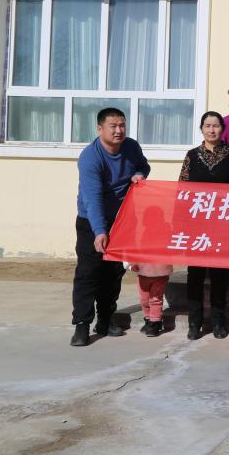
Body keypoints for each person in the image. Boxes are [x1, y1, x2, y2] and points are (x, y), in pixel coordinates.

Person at [70, 107, 150, 347]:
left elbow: (144, 166)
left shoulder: (131, 147)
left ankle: (105, 319)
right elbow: (92, 198)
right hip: (91, 221)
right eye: (113, 126)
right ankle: (82, 325)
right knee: (88, 273)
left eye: (122, 125)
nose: (118, 130)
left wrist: (139, 174)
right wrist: (100, 231)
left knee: (113, 272)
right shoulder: (90, 157)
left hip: (121, 220)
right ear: (100, 129)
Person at [179, 111, 229, 340]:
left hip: (222, 225)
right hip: (196, 225)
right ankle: (194, 322)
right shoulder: (192, 155)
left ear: (222, 129)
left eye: (216, 126)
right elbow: (182, 187)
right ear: (201, 128)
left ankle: (217, 321)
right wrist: (181, 221)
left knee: (219, 275)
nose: (212, 130)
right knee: (195, 275)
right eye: (207, 125)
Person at [131, 261, 172, 337]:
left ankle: (154, 322)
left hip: (161, 273)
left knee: (155, 299)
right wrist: (129, 265)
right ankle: (148, 320)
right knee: (144, 299)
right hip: (143, 272)